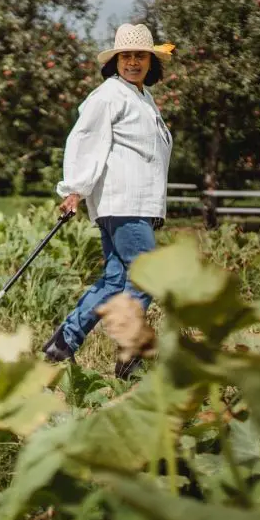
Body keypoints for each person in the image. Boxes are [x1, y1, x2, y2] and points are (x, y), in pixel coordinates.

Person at [41, 23, 174, 379]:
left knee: (116, 282)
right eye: (125, 56)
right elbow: (86, 140)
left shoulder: (141, 97)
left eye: (140, 56)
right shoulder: (108, 95)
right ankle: (128, 356)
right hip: (123, 202)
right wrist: (75, 188)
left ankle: (61, 345)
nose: (132, 62)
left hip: (138, 205)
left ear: (150, 61)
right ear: (115, 61)